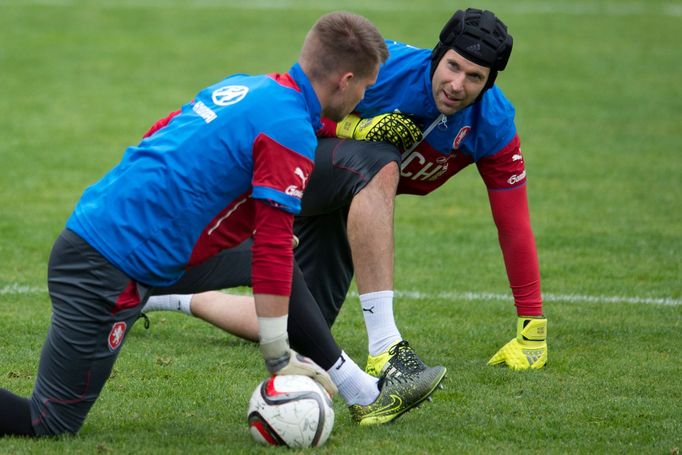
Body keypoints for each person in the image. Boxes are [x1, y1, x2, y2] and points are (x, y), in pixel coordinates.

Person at [0, 11, 393, 438]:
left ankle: (359, 389)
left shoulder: (247, 85)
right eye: (365, 88)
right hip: (103, 271)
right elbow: (273, 245)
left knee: (262, 260)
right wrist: (279, 358)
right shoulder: (288, 131)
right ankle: (351, 384)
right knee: (48, 424)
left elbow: (161, 130)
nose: (362, 96)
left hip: (117, 241)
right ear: (345, 79)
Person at [145, 5, 547, 418]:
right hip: (294, 171)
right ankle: (386, 348)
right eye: (452, 66)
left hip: (341, 200)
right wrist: (354, 129)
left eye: (475, 77)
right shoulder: (386, 70)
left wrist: (532, 327)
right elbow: (290, 108)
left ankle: (161, 295)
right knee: (378, 160)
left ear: (489, 83)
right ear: (437, 55)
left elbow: (513, 224)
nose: (457, 84)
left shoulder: (493, 123)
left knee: (298, 324)